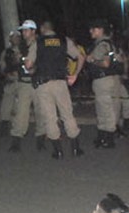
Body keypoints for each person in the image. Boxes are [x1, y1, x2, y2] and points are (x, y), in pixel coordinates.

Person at [28, 21, 85, 159]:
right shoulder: (64, 40)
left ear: (42, 29)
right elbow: (80, 57)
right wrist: (75, 75)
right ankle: (76, 148)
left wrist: (31, 66)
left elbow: (29, 64)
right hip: (60, 82)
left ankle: (58, 151)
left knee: (50, 117)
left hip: (43, 84)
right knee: (67, 114)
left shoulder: (38, 42)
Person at [8, 20, 46, 153]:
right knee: (21, 112)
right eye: (22, 30)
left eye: (26, 30)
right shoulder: (21, 46)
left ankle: (41, 138)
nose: (23, 33)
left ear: (33, 31)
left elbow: (43, 63)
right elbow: (14, 63)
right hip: (24, 82)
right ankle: (16, 139)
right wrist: (17, 59)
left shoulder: (40, 45)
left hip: (37, 83)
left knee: (40, 111)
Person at [87, 19, 120, 149]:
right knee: (101, 108)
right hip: (105, 79)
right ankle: (102, 136)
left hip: (103, 79)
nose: (91, 31)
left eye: (93, 29)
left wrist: (92, 60)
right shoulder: (108, 43)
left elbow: (105, 63)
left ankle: (109, 138)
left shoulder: (102, 44)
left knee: (106, 109)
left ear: (100, 30)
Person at [0, 31, 21, 137]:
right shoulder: (6, 52)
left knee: (19, 106)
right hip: (11, 81)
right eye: (13, 37)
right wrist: (6, 74)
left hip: (21, 81)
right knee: (6, 104)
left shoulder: (24, 50)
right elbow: (2, 66)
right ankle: (4, 126)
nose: (15, 39)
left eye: (17, 37)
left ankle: (18, 129)